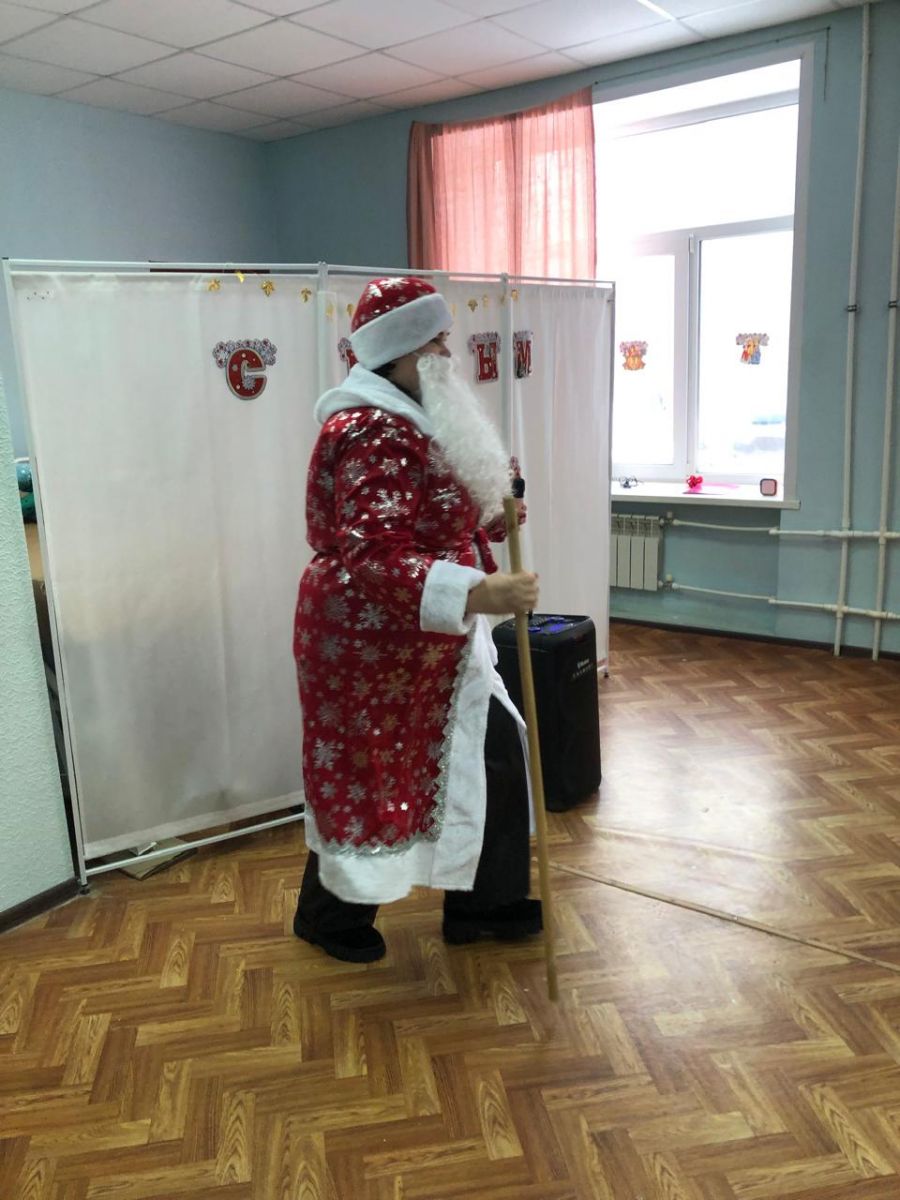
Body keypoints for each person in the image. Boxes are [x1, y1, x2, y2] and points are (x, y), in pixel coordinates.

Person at [293, 276, 540, 963]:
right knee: (367, 775)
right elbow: (373, 552)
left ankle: (486, 903)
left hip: (432, 637)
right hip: (368, 641)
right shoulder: (372, 429)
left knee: (490, 749)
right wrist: (481, 593)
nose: (445, 352)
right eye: (434, 341)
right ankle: (329, 918)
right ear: (398, 351)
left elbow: (434, 513)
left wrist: (494, 514)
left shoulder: (417, 415)